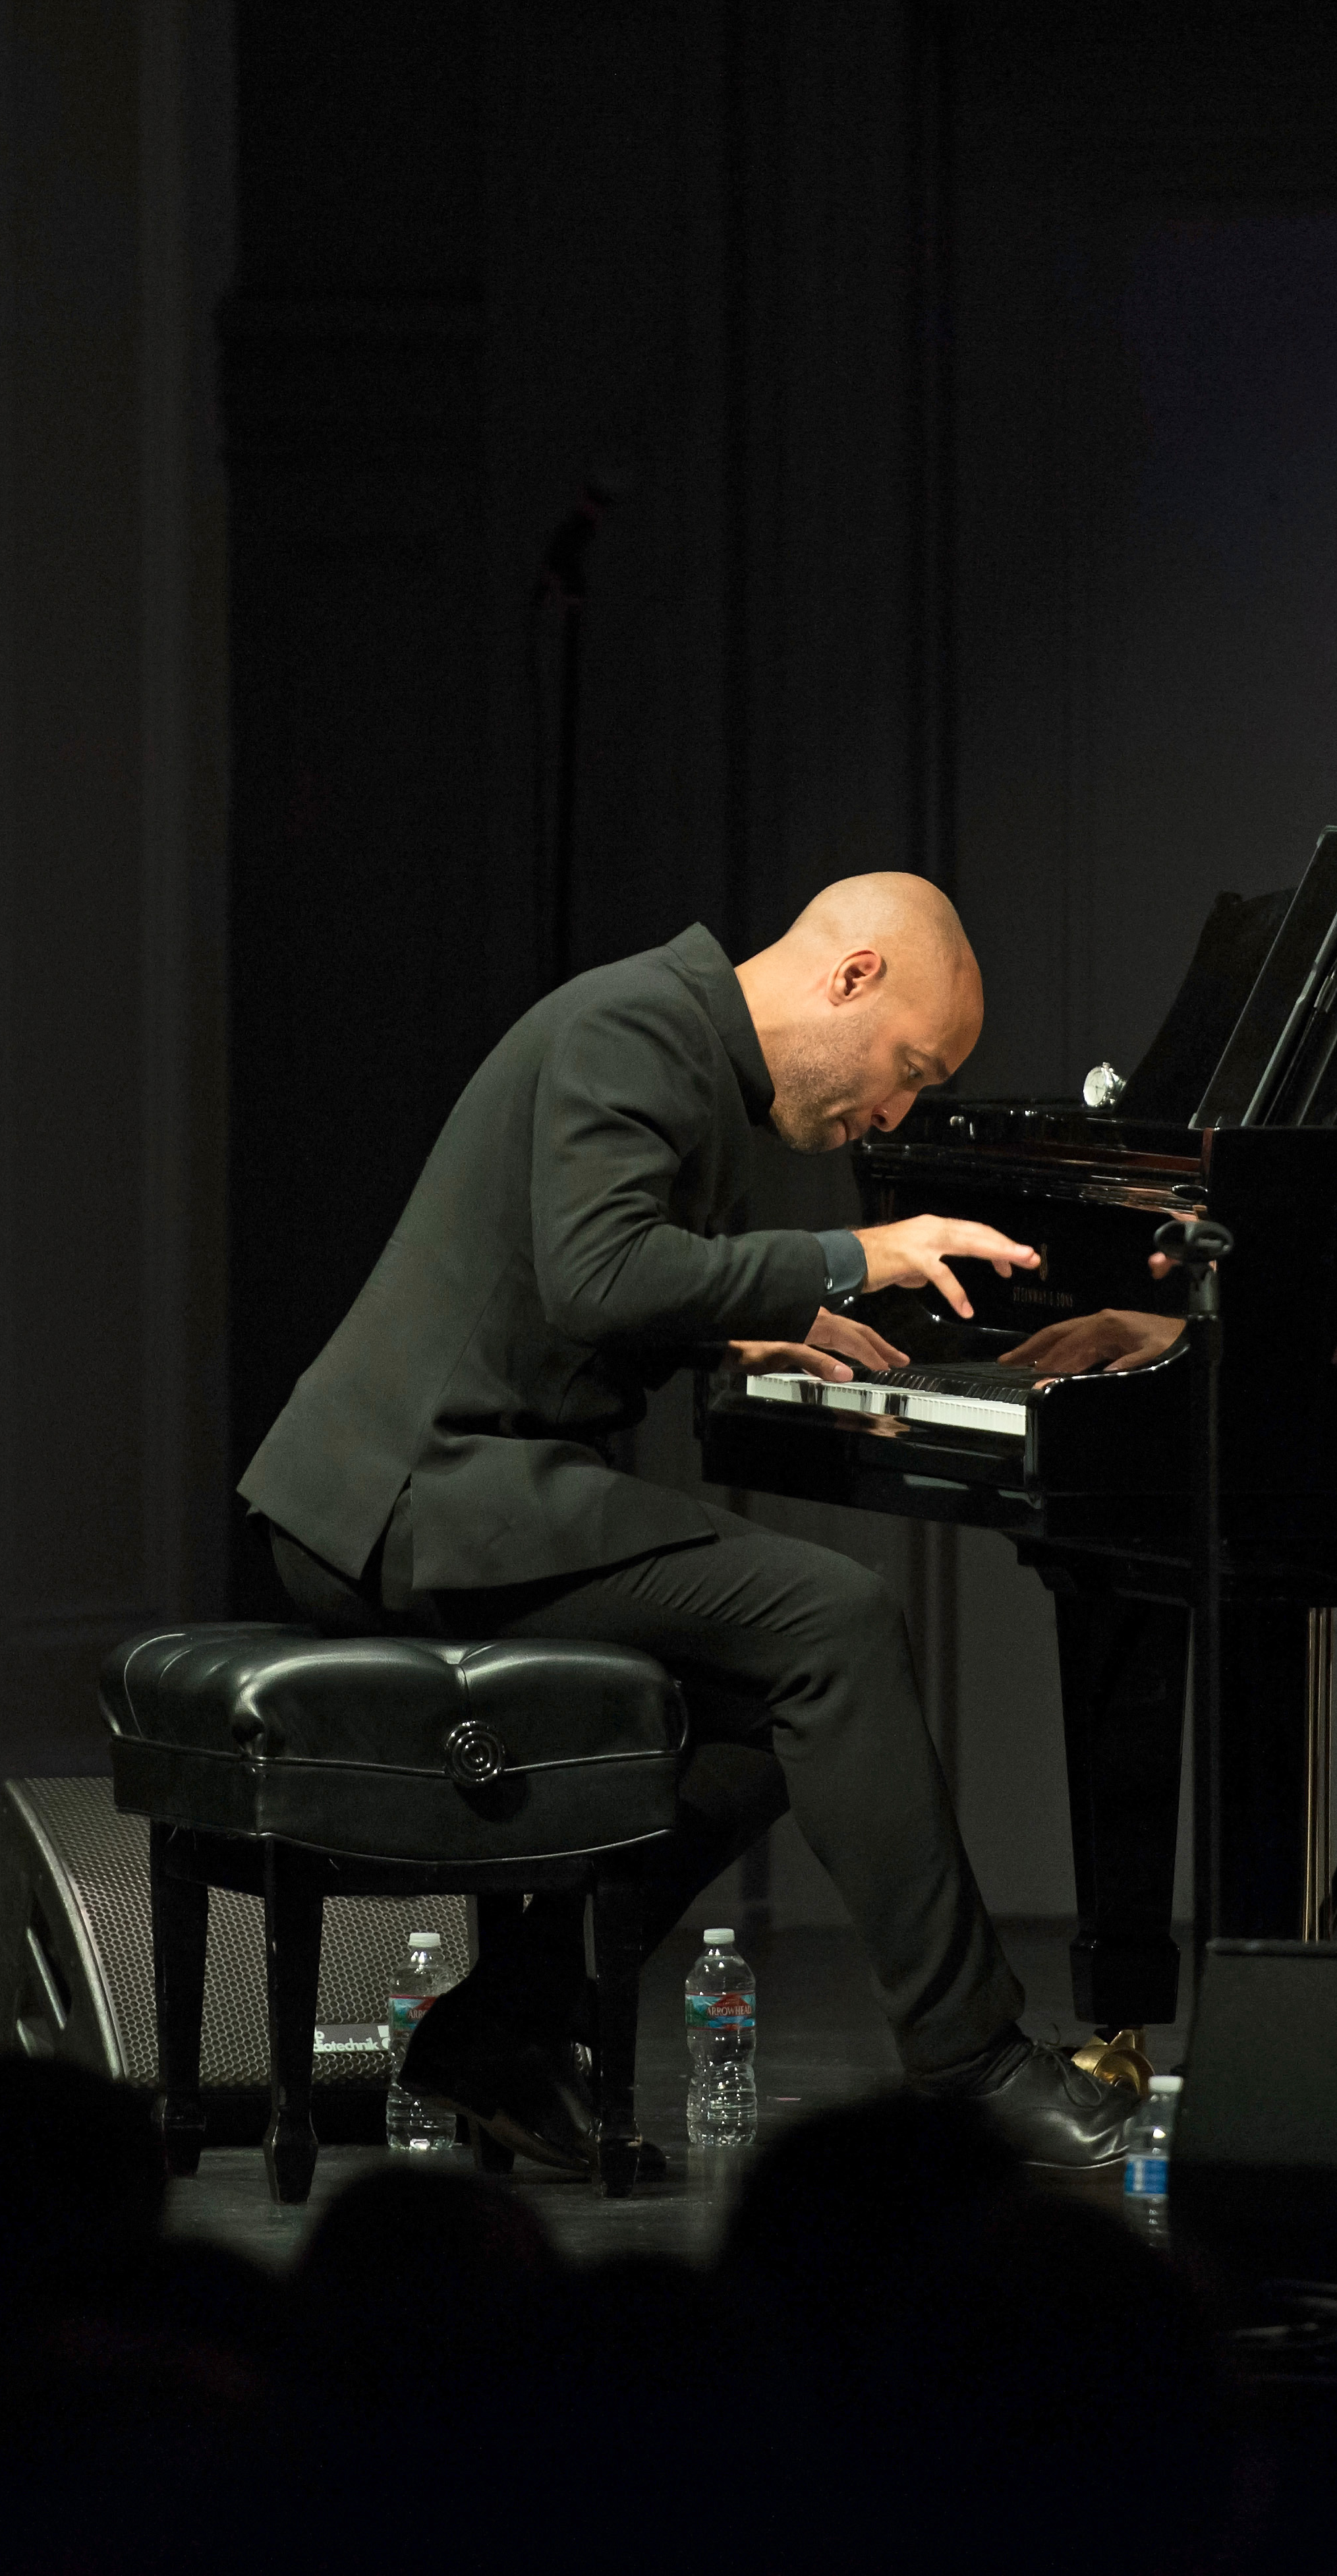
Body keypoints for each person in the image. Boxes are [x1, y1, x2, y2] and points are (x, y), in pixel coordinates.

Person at [244, 874, 1137, 2169]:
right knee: (831, 1621)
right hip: (414, 1495)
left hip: (465, 1487)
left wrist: (738, 1315)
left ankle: (504, 2025)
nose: (891, 1115)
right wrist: (849, 1254)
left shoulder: (671, 1041)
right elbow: (598, 1274)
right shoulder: (638, 1028)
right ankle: (976, 2063)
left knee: (801, 1717)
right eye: (908, 1070)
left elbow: (578, 1283)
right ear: (852, 978)